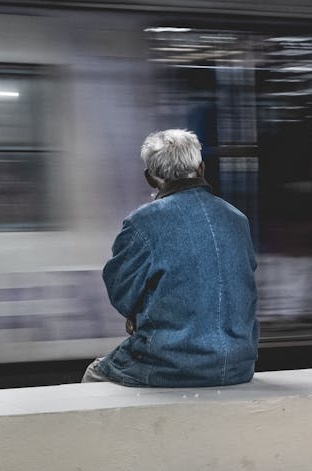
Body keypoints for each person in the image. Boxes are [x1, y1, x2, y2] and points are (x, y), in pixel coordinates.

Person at [82, 129, 258, 387]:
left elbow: (121, 291)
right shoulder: (237, 219)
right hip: (238, 364)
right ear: (201, 168)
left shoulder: (142, 223)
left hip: (172, 364)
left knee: (94, 375)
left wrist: (135, 313)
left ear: (150, 179)